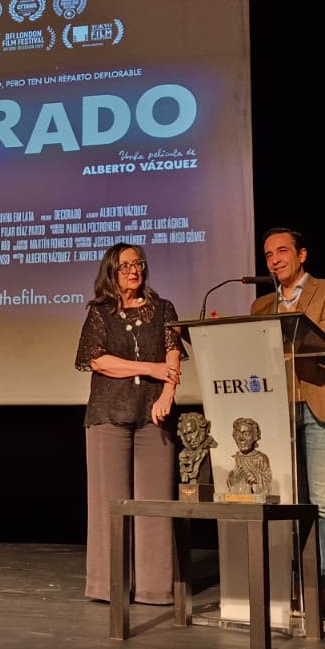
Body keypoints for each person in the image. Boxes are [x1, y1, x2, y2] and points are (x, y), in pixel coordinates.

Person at [250, 227, 325, 622]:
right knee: (285, 501)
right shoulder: (261, 305)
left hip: (320, 403)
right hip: (276, 411)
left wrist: (283, 323)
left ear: (302, 255)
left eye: (282, 251)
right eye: (268, 255)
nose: (275, 259)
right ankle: (290, 586)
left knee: (324, 499)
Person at [74, 242, 185, 604]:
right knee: (110, 503)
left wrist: (167, 392)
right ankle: (109, 586)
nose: (134, 270)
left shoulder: (163, 309)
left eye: (138, 263)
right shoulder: (100, 312)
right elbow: (99, 361)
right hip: (109, 412)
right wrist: (149, 368)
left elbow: (173, 356)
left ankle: (155, 588)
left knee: (155, 504)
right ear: (111, 272)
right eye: (125, 266)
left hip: (154, 413)